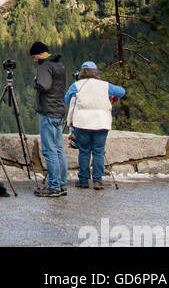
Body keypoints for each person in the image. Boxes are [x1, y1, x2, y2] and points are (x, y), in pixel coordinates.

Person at [65, 62, 126, 191]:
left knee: (84, 151)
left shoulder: (77, 85)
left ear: (82, 73)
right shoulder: (105, 85)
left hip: (82, 123)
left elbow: (67, 99)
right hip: (101, 122)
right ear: (96, 72)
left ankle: (83, 180)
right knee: (98, 151)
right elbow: (121, 92)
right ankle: (98, 181)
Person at [30, 39, 68, 199]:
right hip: (59, 109)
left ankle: (53, 186)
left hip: (48, 111)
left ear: (39, 54)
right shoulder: (59, 65)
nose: (34, 60)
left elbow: (44, 86)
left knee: (49, 150)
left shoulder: (45, 66)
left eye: (34, 57)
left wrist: (35, 81)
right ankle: (62, 184)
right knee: (59, 149)